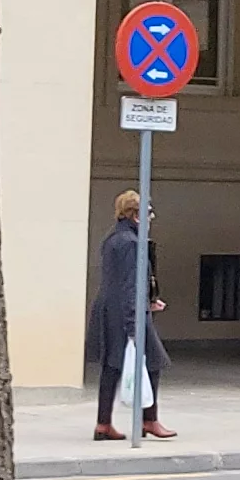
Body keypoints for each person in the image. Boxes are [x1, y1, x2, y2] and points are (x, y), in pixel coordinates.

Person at [85, 189, 174, 441]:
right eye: (148, 212)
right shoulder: (132, 243)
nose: (152, 217)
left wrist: (148, 301)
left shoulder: (113, 238)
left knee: (111, 367)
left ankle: (103, 424)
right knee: (153, 361)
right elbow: (129, 284)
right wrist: (135, 320)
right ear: (135, 215)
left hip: (111, 309)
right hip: (127, 311)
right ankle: (149, 419)